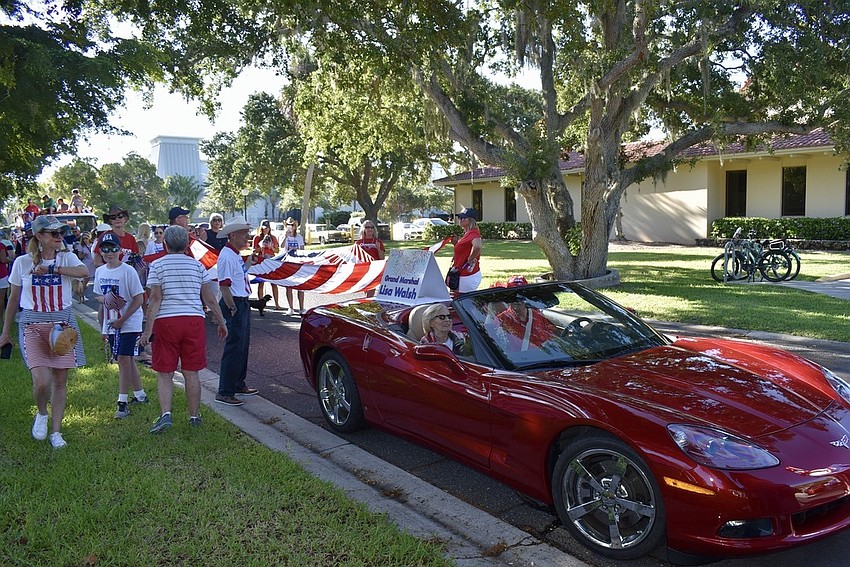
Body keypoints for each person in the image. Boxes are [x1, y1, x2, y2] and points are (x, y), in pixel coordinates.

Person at [0, 215, 89, 449]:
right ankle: (41, 412)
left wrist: (54, 268)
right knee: (41, 381)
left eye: (61, 233)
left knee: (60, 381)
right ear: (39, 236)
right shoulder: (22, 262)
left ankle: (56, 432)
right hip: (33, 323)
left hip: (63, 322)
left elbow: (83, 272)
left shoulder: (67, 257)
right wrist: (5, 332)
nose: (59, 237)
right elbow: (14, 298)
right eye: (53, 233)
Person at [140, 226, 227, 433]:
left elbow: (155, 300)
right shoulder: (197, 266)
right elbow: (209, 299)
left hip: (167, 321)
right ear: (187, 245)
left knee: (165, 372)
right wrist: (221, 321)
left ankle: (166, 415)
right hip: (193, 320)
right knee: (191, 371)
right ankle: (194, 416)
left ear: (165, 244)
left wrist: (147, 330)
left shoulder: (158, 265)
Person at [93, 232, 148, 419]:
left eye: (113, 248)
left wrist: (122, 319)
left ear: (120, 251)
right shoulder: (100, 272)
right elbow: (99, 298)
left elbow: (138, 298)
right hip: (111, 323)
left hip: (129, 322)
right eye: (105, 249)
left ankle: (122, 403)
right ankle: (140, 395)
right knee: (128, 359)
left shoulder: (128, 271)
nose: (109, 253)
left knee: (123, 360)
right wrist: (104, 326)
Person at [216, 216, 259, 406]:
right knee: (234, 347)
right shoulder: (226, 256)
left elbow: (238, 276)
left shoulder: (233, 254)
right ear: (233, 235)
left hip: (240, 302)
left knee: (241, 346)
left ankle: (237, 383)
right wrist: (232, 307)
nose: (247, 238)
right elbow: (224, 286)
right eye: (243, 234)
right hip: (235, 303)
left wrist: (249, 262)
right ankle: (225, 390)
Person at [450, 207, 483, 295]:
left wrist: (470, 259)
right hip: (461, 273)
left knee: (462, 300)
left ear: (470, 220)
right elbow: (463, 250)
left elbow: (478, 246)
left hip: (467, 274)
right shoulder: (467, 233)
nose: (460, 220)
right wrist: (456, 243)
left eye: (463, 218)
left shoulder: (474, 232)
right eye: (460, 217)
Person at [252, 219, 282, 310]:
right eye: (264, 228)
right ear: (261, 228)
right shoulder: (257, 238)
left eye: (267, 228)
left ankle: (277, 304)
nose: (265, 230)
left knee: (274, 283)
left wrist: (271, 247)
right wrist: (261, 246)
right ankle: (260, 303)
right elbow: (253, 251)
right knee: (261, 283)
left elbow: (277, 251)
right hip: (261, 260)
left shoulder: (273, 238)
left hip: (271, 260)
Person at [280, 217, 305, 314]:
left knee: (300, 286)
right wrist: (286, 236)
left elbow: (302, 249)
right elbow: (281, 246)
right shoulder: (283, 236)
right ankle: (290, 307)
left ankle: (301, 307)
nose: (291, 227)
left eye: (292, 225)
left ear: (295, 226)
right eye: (289, 225)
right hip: (287, 263)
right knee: (289, 286)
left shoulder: (299, 237)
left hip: (298, 263)